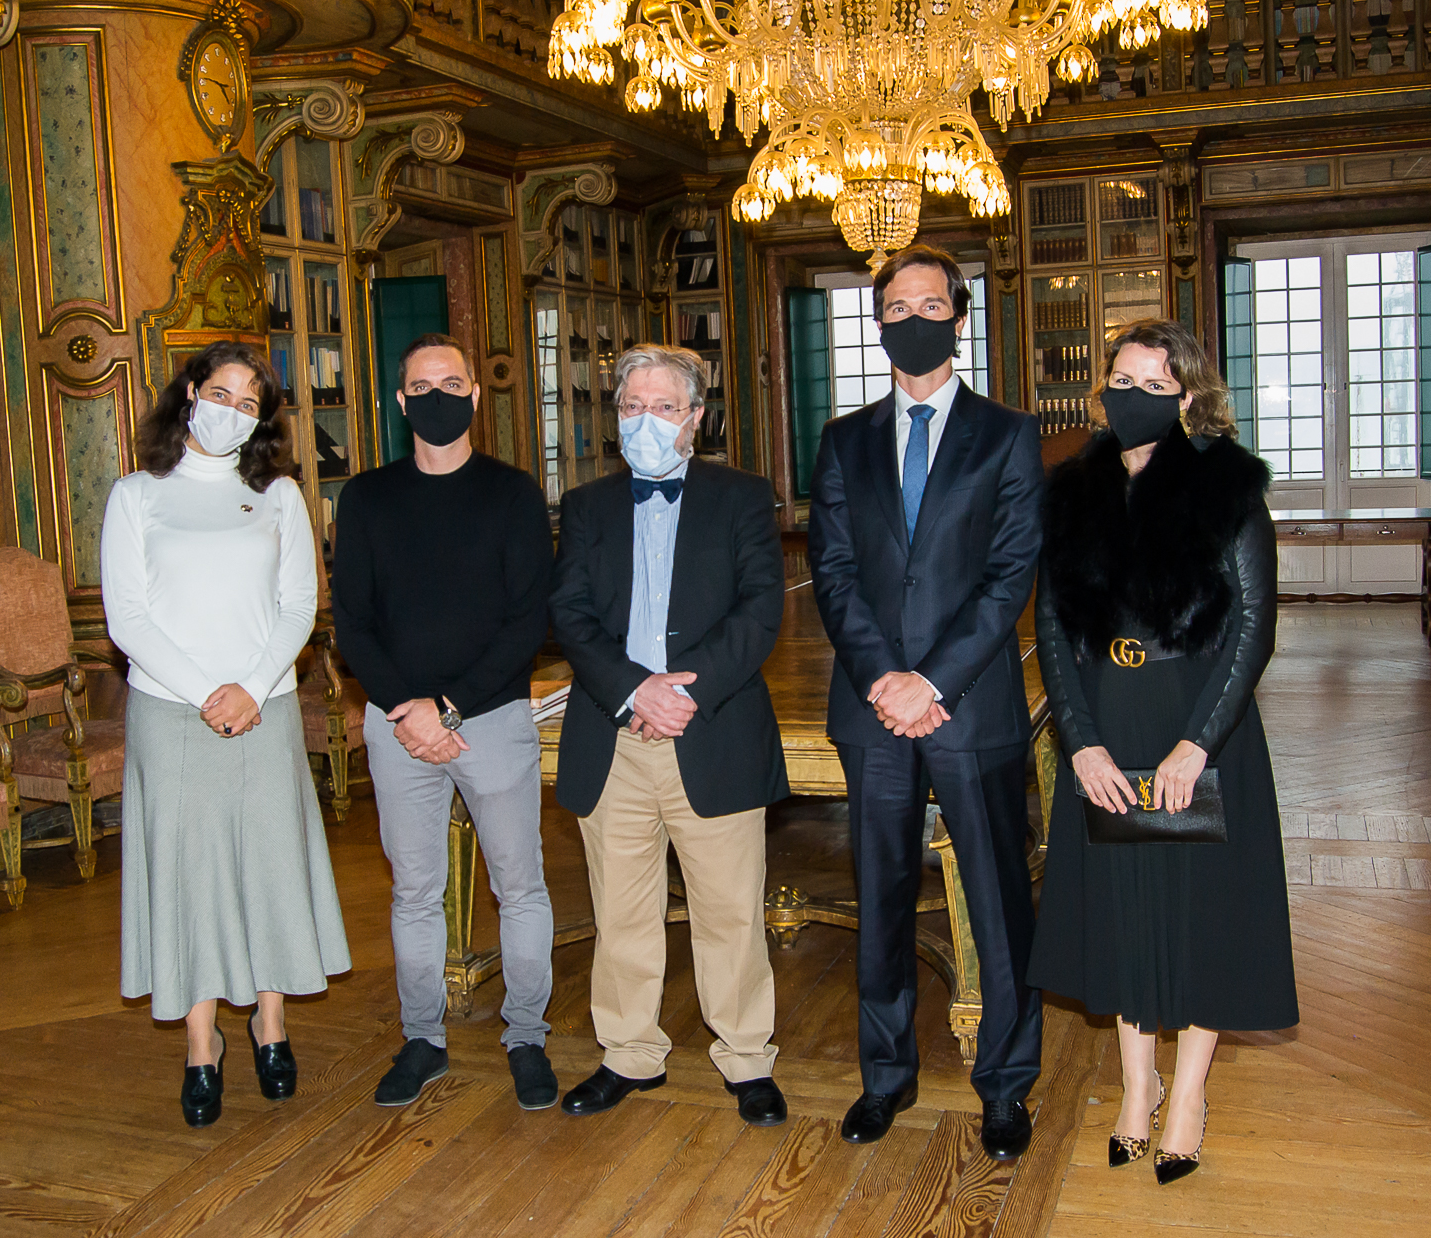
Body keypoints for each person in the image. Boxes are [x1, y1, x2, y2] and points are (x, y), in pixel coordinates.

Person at [1028, 318, 1298, 1185]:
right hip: (1108, 723)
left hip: (1198, 724)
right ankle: (1137, 1085)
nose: (1131, 396)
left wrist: (1196, 747)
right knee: (1124, 908)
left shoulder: (1226, 487)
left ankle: (1188, 1096)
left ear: (1188, 396)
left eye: (1153, 384)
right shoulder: (1076, 490)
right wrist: (1080, 744)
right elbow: (1052, 627)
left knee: (1196, 912)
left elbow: (1252, 628)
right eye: (1121, 381)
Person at [807, 244, 1045, 1160]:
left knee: (996, 901)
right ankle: (885, 1077)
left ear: (960, 317)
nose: (914, 320)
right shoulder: (844, 440)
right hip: (873, 709)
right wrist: (885, 679)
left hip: (969, 704)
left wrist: (932, 681)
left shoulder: (1008, 434)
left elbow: (1009, 573)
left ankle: (1006, 1084)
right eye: (897, 309)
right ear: (880, 325)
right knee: (882, 897)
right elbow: (833, 573)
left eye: (931, 305)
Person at [101, 341, 351, 1129]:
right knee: (188, 875)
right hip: (170, 714)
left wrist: (249, 687)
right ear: (189, 392)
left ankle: (270, 1024)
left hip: (264, 708)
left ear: (263, 419)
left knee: (269, 865)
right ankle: (201, 1042)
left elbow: (299, 604)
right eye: (220, 393)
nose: (230, 411)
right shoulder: (136, 495)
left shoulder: (278, 495)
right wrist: (206, 694)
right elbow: (128, 618)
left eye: (248, 403)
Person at [549, 343, 791, 1128]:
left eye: (663, 407)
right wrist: (634, 690)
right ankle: (628, 1053)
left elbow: (761, 607)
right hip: (613, 734)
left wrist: (686, 692)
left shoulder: (743, 497)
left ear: (696, 418)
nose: (644, 421)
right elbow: (570, 614)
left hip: (710, 727)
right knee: (621, 912)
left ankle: (747, 1058)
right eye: (631, 407)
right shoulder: (585, 506)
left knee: (730, 912)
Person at [329, 332, 560, 1113]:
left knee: (519, 886)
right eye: (421, 388)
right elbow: (353, 622)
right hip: (398, 724)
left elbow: (529, 620)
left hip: (490, 717)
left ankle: (526, 1037)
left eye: (451, 385)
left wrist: (450, 707)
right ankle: (422, 1038)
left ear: (475, 395)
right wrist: (410, 709)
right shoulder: (365, 498)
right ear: (401, 402)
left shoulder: (514, 493)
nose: (437, 398)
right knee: (414, 892)